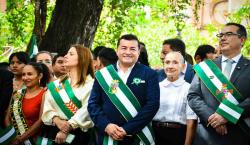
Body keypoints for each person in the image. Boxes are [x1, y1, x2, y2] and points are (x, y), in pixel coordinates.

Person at [88, 34, 160, 145]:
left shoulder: (149, 74)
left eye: (132, 49)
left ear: (138, 52)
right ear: (117, 51)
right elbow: (93, 104)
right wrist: (106, 125)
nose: (128, 52)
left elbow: (152, 105)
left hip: (138, 136)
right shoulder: (103, 74)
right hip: (108, 136)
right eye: (124, 48)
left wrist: (127, 129)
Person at [188, 23, 250, 145]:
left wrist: (226, 115)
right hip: (207, 134)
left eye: (228, 34)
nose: (222, 38)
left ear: (242, 40)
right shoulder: (206, 67)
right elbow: (193, 96)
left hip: (239, 134)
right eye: (220, 35)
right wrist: (212, 118)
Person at [42, 44, 95, 145]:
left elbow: (87, 110)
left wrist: (67, 128)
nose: (66, 56)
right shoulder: (57, 84)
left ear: (82, 59)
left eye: (71, 54)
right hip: (53, 131)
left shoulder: (91, 84)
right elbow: (47, 106)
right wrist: (57, 120)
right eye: (67, 53)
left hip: (79, 135)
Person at [153, 52, 197, 145]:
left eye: (175, 62)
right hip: (155, 134)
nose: (170, 66)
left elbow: (191, 121)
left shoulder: (188, 88)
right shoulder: (156, 87)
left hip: (178, 135)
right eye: (167, 62)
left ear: (183, 66)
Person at [4, 62, 50, 145]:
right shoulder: (16, 93)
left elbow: (41, 121)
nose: (25, 77)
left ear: (40, 76)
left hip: (33, 141)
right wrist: (12, 136)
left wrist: (20, 139)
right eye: (23, 74)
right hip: (13, 140)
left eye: (29, 74)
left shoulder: (45, 94)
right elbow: (7, 118)